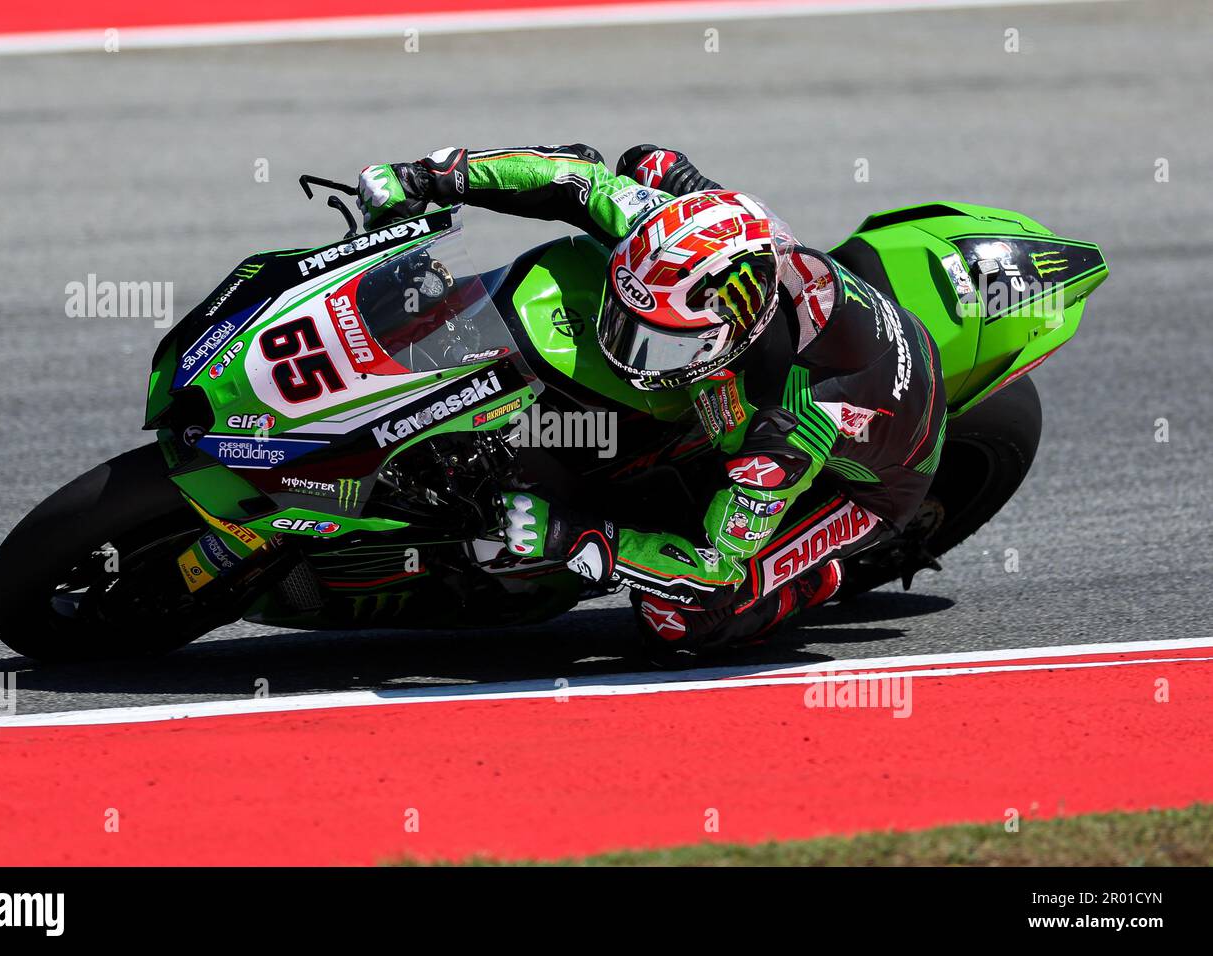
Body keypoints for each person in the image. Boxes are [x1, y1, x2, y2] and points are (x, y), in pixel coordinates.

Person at [356, 144, 947, 664]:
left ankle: (808, 582)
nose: (628, 351)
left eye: (657, 342)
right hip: (815, 323)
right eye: (626, 319)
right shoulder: (681, 241)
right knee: (646, 164)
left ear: (728, 336)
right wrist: (428, 177)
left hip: (877, 480)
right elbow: (568, 177)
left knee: (681, 621)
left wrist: (574, 537)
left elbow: (714, 567)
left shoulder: (785, 431)